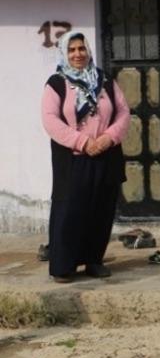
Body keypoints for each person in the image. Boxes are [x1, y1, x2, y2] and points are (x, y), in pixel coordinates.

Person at [41, 32, 130, 284]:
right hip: (73, 159)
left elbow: (123, 112)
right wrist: (83, 142)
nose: (78, 54)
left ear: (88, 50)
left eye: (81, 48)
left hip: (105, 155)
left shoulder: (104, 80)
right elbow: (50, 120)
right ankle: (63, 265)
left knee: (100, 210)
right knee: (69, 211)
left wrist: (107, 138)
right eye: (72, 50)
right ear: (64, 53)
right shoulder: (56, 83)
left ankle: (94, 260)